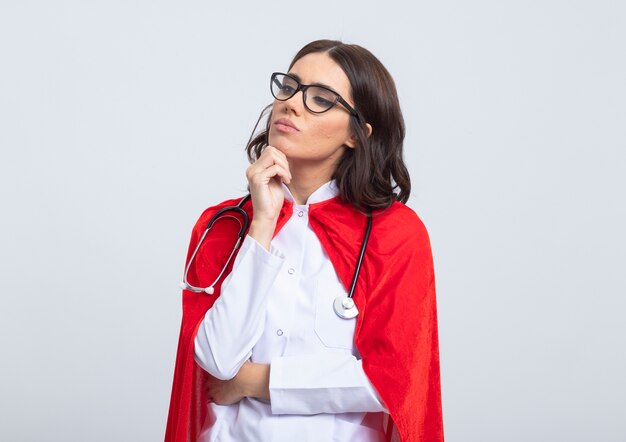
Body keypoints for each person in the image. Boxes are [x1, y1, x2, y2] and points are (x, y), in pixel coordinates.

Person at [165, 39, 443, 442]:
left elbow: (394, 384)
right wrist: (262, 221)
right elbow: (216, 361)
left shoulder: (395, 235)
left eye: (321, 99)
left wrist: (256, 382)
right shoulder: (223, 225)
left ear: (356, 134)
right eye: (290, 87)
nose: (292, 103)